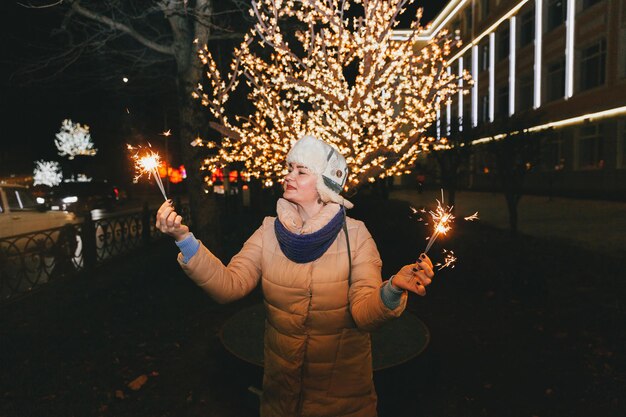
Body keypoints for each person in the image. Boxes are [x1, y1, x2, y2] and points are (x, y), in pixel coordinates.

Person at [156, 135, 435, 417]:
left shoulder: (356, 235)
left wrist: (392, 290)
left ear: (324, 185)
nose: (289, 176)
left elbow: (364, 314)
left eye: (301, 171)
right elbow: (229, 286)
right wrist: (184, 239)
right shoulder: (268, 231)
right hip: (281, 399)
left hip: (343, 403)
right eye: (290, 168)